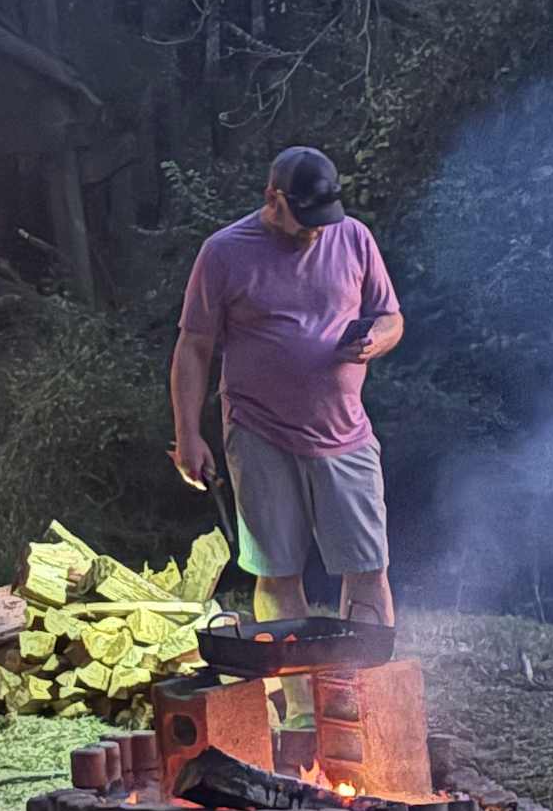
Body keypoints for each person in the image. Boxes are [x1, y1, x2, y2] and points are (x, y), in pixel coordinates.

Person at [170, 146, 405, 629]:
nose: (317, 228)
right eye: (305, 218)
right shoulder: (224, 252)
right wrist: (187, 435)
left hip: (345, 434)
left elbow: (391, 317)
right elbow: (193, 346)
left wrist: (376, 340)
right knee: (277, 572)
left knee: (367, 565)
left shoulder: (353, 237)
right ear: (272, 198)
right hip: (260, 432)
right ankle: (297, 702)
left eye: (324, 216)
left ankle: (358, 691)